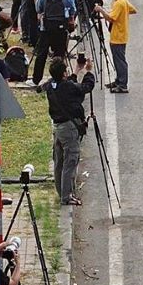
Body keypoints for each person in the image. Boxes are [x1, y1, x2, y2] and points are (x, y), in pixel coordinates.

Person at [45, 54, 94, 206]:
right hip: (69, 128)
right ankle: (66, 196)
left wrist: (76, 71)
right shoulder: (67, 87)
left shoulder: (51, 85)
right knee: (70, 161)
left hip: (58, 127)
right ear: (63, 73)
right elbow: (85, 87)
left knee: (59, 161)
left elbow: (66, 86)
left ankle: (61, 192)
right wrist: (88, 72)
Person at [32, 0, 75, 88]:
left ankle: (36, 79)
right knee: (60, 54)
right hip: (61, 29)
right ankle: (58, 79)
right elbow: (72, 10)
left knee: (42, 53)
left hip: (46, 28)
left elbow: (38, 9)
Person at [100, 0, 136, 95]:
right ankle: (118, 81)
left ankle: (122, 85)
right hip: (120, 35)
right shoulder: (123, 0)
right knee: (117, 60)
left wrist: (101, 10)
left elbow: (110, 18)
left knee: (120, 61)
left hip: (118, 36)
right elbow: (132, 10)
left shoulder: (119, 3)